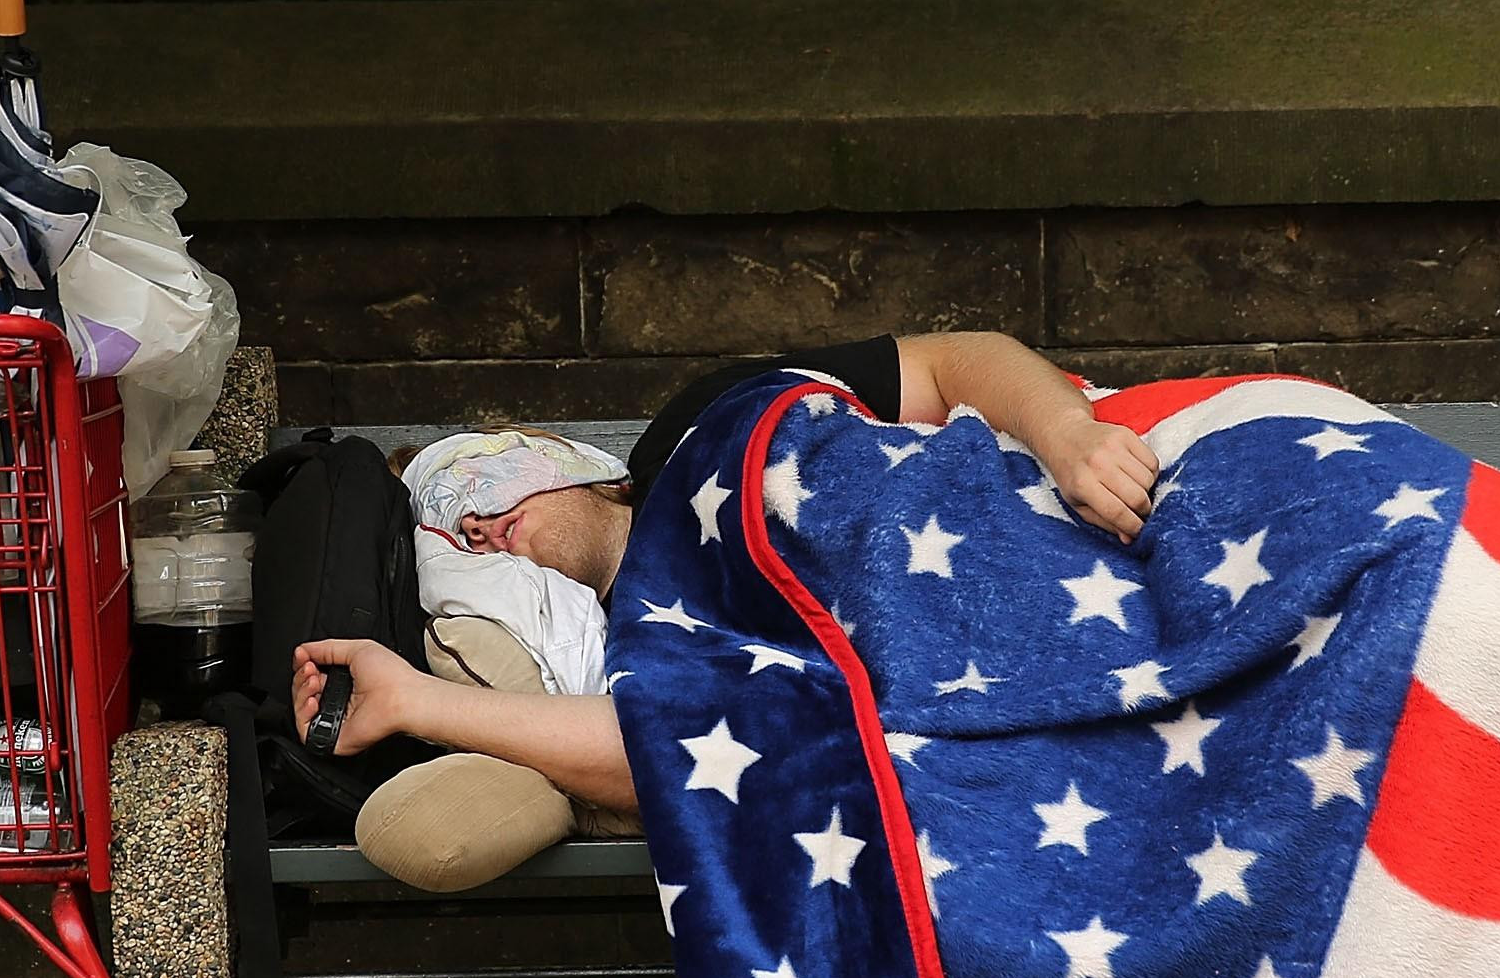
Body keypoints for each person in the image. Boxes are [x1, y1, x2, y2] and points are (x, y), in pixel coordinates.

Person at [298, 332, 1158, 858]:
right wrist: (415, 698)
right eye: (452, 532)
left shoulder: (704, 419)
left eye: (477, 483)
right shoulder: (636, 642)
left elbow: (953, 358)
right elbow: (661, 748)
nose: (476, 524)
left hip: (1092, 526)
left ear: (569, 458)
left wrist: (1070, 434)